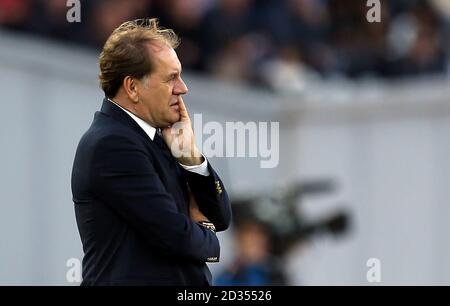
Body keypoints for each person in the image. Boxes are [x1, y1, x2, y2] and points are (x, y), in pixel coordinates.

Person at [71, 18, 231, 286]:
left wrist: (191, 158)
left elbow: (221, 217)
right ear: (132, 87)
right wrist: (207, 235)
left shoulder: (162, 136)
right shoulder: (112, 145)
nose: (183, 88)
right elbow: (176, 236)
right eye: (171, 78)